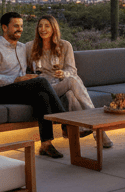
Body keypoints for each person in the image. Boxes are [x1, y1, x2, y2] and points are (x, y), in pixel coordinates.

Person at [0, 12, 69, 159]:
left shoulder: (23, 48)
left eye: (21, 26)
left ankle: (46, 144)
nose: (20, 29)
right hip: (0, 92)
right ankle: (66, 122)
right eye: (16, 26)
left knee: (42, 95)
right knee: (41, 82)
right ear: (4, 27)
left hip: (20, 89)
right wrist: (17, 79)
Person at [30, 15, 113, 149]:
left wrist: (64, 73)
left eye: (47, 26)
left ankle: (82, 132)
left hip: (60, 83)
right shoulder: (30, 47)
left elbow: (72, 70)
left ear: (54, 28)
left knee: (71, 92)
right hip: (45, 87)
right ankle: (98, 128)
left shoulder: (65, 45)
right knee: (73, 83)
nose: (43, 29)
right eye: (40, 26)